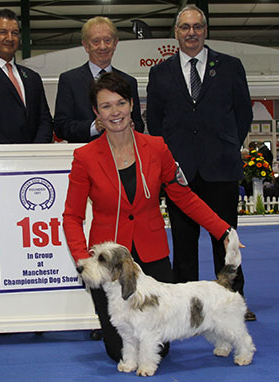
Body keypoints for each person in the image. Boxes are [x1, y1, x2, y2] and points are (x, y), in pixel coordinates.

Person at [63, 72, 235, 363]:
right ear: (96, 112)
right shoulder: (85, 157)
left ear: (132, 105)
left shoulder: (156, 147)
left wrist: (223, 230)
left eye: (120, 103)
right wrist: (84, 259)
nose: (114, 112)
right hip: (110, 264)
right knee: (119, 350)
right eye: (105, 106)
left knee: (159, 345)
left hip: (151, 253)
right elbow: (71, 216)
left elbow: (184, 196)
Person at [146, 5, 256, 321]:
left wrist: (225, 146)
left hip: (220, 169)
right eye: (184, 27)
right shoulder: (160, 73)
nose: (191, 33)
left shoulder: (231, 67)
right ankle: (185, 308)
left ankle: (234, 300)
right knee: (183, 243)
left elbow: (243, 115)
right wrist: (172, 160)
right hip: (179, 173)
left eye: (197, 27)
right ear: (176, 32)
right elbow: (155, 121)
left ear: (205, 30)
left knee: (225, 239)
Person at [54, 16, 144, 143]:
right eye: (96, 41)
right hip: (84, 154)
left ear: (115, 43)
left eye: (107, 40)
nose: (103, 47)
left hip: (122, 155)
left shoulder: (128, 82)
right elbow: (60, 127)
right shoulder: (69, 80)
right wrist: (94, 127)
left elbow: (139, 125)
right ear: (85, 45)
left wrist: (131, 126)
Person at [0, 9, 53, 144]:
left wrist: (35, 149)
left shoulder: (32, 77)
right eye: (2, 32)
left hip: (34, 159)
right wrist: (11, 151)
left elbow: (44, 119)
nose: (10, 38)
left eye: (15, 33)